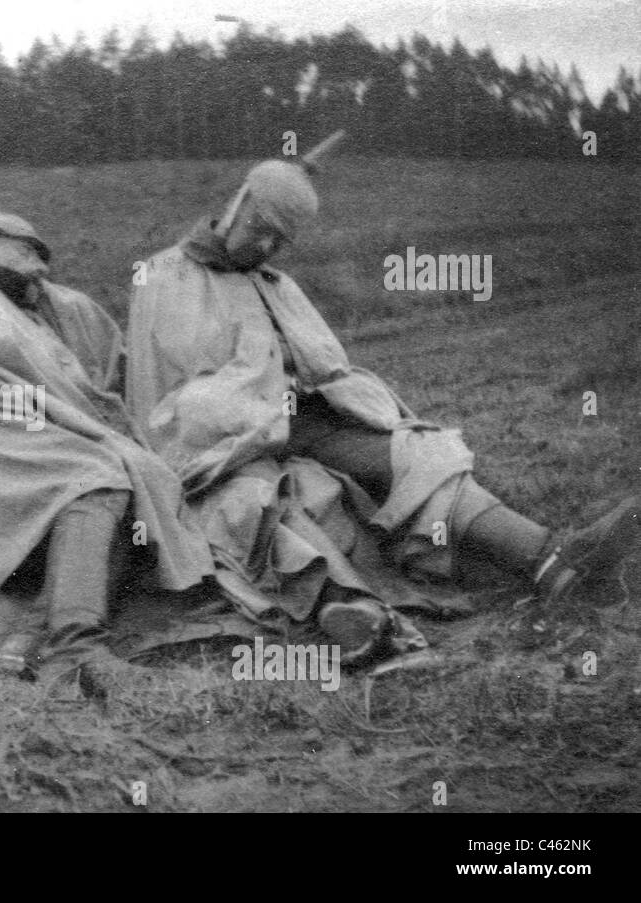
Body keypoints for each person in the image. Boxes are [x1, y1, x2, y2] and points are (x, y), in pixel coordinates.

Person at [126, 159, 639, 661]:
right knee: (262, 507)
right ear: (239, 202)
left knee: (416, 455)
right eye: (260, 229)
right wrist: (257, 388)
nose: (264, 247)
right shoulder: (163, 276)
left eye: (279, 242)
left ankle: (550, 556)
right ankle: (360, 613)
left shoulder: (273, 283)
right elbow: (165, 397)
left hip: (306, 420)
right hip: (221, 446)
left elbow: (327, 365)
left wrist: (308, 382)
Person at [0, 201, 210, 694]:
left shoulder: (31, 310)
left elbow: (91, 356)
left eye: (44, 257)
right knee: (97, 477)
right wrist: (93, 414)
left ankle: (50, 639)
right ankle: (76, 649)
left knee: (112, 478)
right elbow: (14, 357)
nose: (41, 267)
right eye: (26, 251)